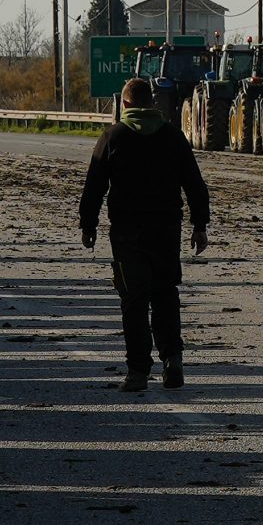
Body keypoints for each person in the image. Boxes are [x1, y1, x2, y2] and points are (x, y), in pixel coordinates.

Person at [79, 76, 211, 393]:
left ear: (124, 104)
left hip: (127, 233)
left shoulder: (113, 136)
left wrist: (88, 224)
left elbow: (94, 186)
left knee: (134, 300)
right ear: (152, 103)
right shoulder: (173, 137)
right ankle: (172, 361)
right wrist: (200, 225)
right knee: (165, 295)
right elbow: (195, 184)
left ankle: (138, 371)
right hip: (166, 229)